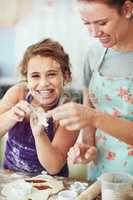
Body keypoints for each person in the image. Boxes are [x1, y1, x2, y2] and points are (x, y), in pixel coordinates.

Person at [50, 0, 133, 180]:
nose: (94, 33)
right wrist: (87, 146)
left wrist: (93, 117)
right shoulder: (94, 54)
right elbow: (91, 110)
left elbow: (91, 115)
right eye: (87, 23)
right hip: (101, 173)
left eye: (102, 23)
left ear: (127, 9)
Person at [0, 38, 79, 177]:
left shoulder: (69, 113)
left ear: (65, 77)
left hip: (49, 184)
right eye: (35, 76)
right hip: (11, 178)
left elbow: (54, 167)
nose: (43, 83)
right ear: (27, 80)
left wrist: (39, 134)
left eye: (52, 74)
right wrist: (10, 116)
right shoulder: (17, 94)